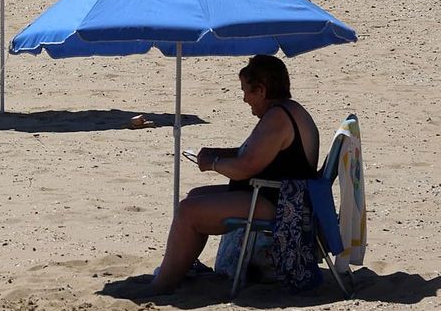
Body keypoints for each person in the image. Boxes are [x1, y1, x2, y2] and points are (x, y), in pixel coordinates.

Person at [128, 55, 318, 297]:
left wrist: (213, 163)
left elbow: (246, 167)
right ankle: (179, 266)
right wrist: (217, 153)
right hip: (280, 194)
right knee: (195, 196)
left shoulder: (277, 119)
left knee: (189, 211)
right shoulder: (287, 111)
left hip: (280, 203)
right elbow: (256, 154)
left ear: (261, 90)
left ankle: (162, 285)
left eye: (246, 92)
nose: (244, 98)